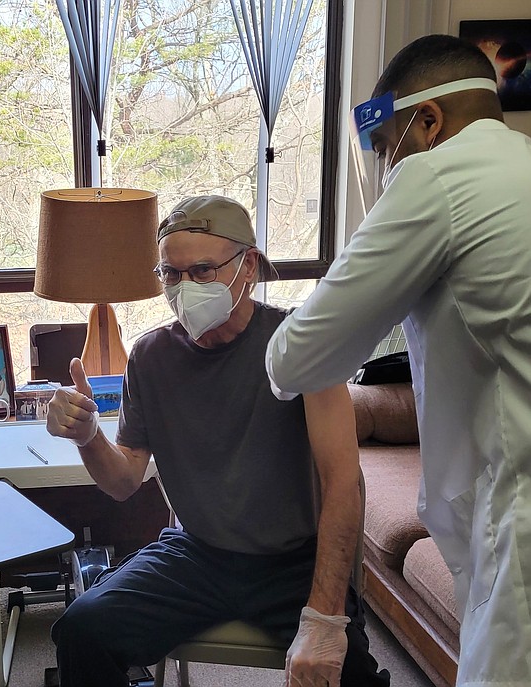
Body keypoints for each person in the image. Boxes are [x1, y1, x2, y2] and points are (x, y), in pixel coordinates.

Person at [265, 34, 531, 685]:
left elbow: (294, 359)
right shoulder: (520, 165)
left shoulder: (437, 174)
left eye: (384, 148)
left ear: (429, 120)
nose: (385, 169)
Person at [46, 195, 390, 687]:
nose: (184, 288)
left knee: (346, 674)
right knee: (81, 632)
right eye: (171, 274)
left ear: (246, 265)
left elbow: (343, 484)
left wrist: (324, 619)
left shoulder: (300, 343)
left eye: (202, 271)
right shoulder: (150, 357)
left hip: (292, 562)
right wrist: (87, 437)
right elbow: (123, 481)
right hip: (197, 554)